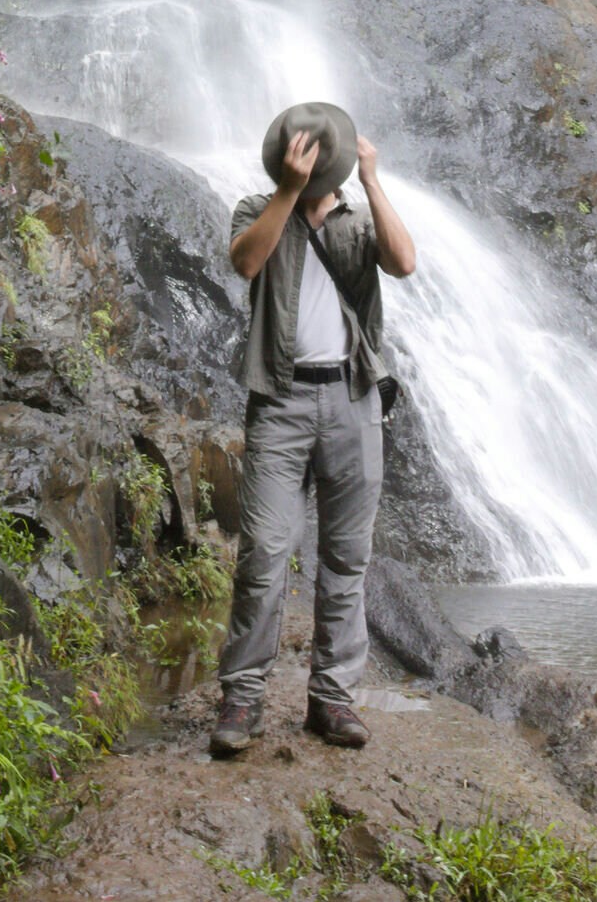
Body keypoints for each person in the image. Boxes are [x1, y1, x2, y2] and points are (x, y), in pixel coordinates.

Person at [211, 103, 416, 759]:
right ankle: (242, 697)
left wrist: (374, 181)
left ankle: (332, 697)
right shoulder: (257, 208)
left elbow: (404, 262)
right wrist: (290, 193)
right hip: (280, 401)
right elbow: (247, 263)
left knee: (347, 559)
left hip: (353, 400)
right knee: (265, 553)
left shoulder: (357, 222)